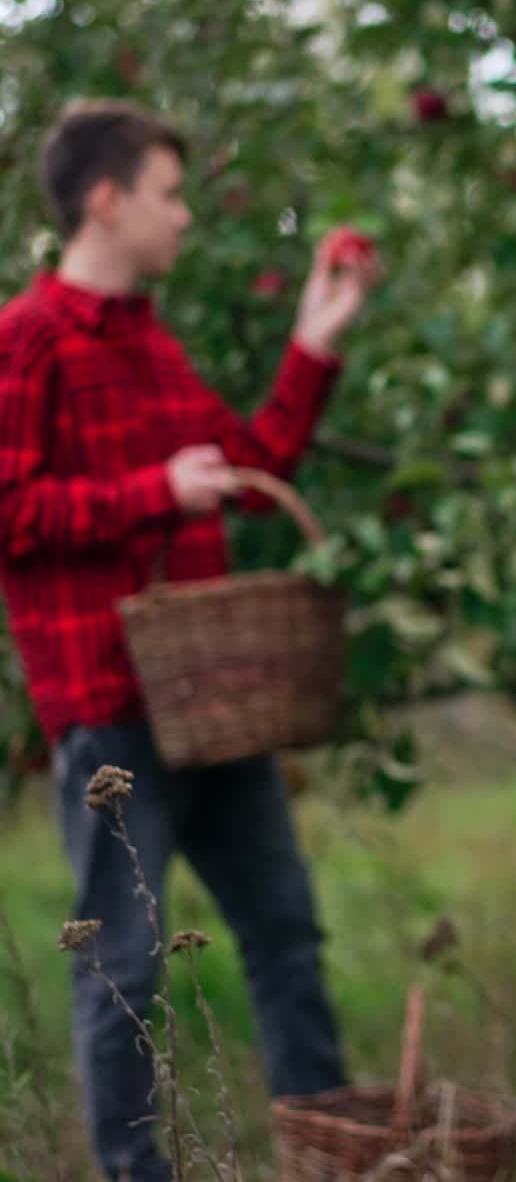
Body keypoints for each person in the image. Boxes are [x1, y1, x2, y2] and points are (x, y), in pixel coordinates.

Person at [0, 99, 379, 1182]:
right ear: (107, 199)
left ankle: (332, 1153)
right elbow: (9, 507)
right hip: (108, 704)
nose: (184, 215)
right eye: (170, 193)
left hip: (209, 698)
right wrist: (148, 492)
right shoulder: (29, 339)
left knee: (287, 934)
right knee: (122, 962)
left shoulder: (150, 344)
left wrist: (315, 336)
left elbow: (251, 462)